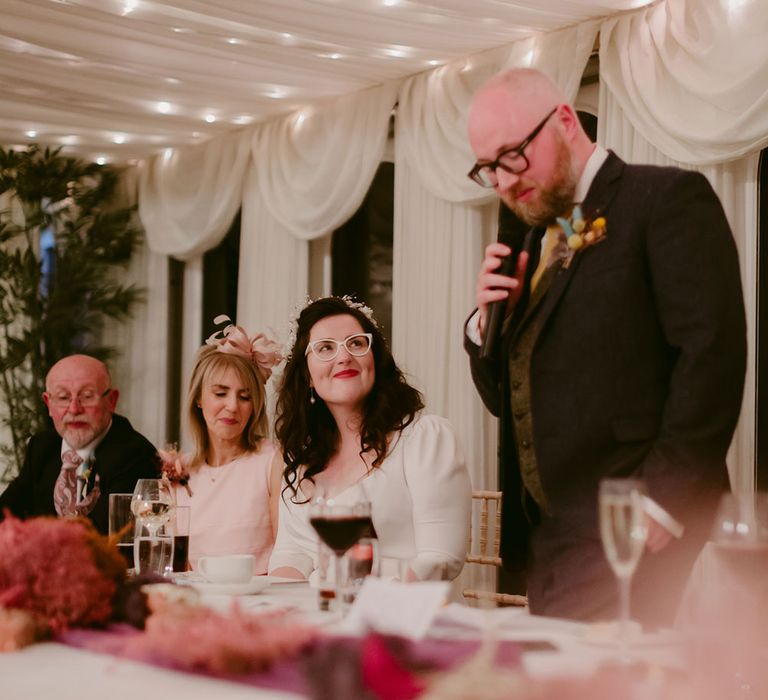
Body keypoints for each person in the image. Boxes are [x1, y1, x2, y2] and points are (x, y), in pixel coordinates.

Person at [463, 68, 746, 625]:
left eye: (512, 154)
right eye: (487, 167)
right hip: (553, 534)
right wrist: (486, 322)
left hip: (636, 524)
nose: (501, 180)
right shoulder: (541, 236)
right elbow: (508, 395)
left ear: (565, 121)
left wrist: (664, 496)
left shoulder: (664, 200)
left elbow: (710, 352)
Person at [268, 296, 471, 582]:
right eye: (325, 348)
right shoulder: (300, 459)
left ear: (374, 358)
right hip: (323, 617)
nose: (344, 356)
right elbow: (290, 554)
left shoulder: (425, 439)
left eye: (356, 343)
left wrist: (356, 589)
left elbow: (440, 559)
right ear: (308, 378)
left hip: (407, 617)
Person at [172, 316, 283, 574]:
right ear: (198, 398)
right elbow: (176, 565)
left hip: (258, 602)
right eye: (220, 393)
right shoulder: (179, 471)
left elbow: (287, 552)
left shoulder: (272, 461)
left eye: (244, 397)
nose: (232, 406)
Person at [0, 354, 158, 534]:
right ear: (48, 403)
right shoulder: (42, 446)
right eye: (63, 397)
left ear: (111, 400)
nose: (74, 409)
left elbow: (99, 537)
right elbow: (6, 514)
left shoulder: (134, 455)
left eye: (87, 396)